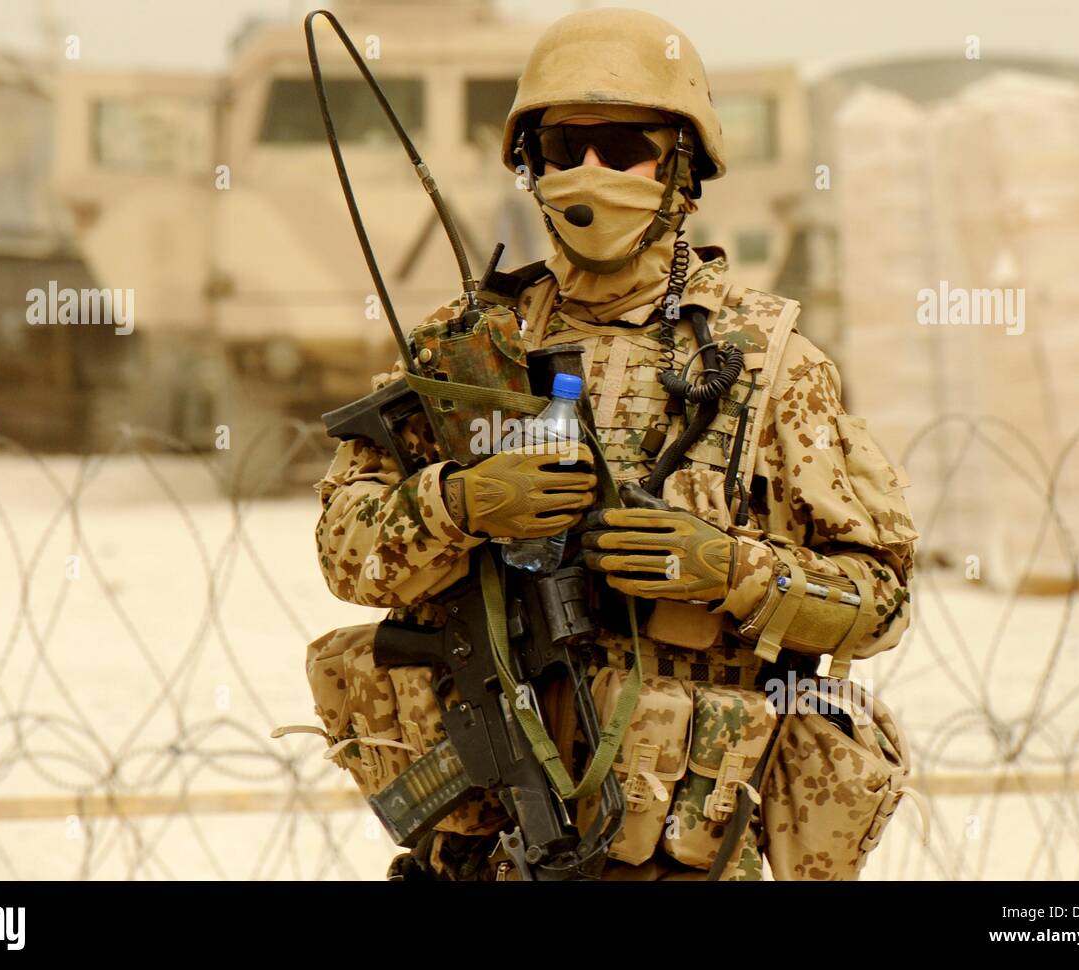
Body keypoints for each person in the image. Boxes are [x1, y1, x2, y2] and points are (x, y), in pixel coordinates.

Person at [311, 7, 920, 881]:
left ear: (680, 168)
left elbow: (881, 602)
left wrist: (728, 569)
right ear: (533, 167)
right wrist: (460, 503)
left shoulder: (770, 364)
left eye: (623, 146)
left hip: (685, 851)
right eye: (564, 149)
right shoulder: (465, 352)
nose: (589, 172)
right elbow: (344, 551)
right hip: (488, 847)